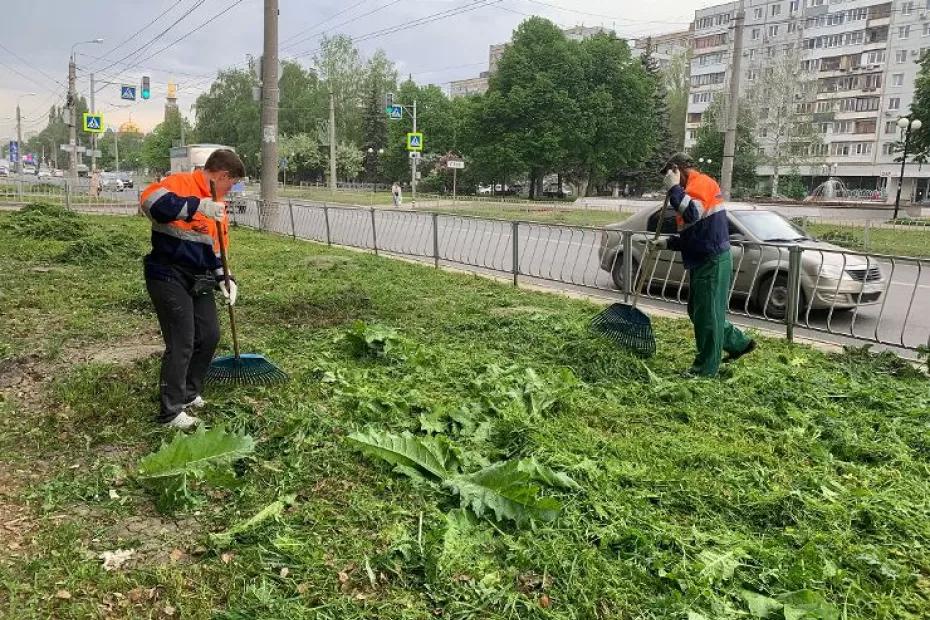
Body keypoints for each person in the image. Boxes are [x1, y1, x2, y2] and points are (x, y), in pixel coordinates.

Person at [139, 149, 245, 429]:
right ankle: (170, 412)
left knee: (209, 334)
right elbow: (150, 203)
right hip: (167, 274)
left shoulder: (219, 206)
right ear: (223, 175)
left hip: (199, 278)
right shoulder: (180, 183)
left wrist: (226, 278)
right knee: (182, 340)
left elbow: (218, 248)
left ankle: (188, 393)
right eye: (231, 183)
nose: (230, 189)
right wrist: (198, 206)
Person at [651, 153, 756, 378]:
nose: (667, 179)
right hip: (703, 257)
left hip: (712, 260)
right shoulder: (690, 189)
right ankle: (738, 343)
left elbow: (692, 213)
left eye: (669, 174)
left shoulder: (701, 184)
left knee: (708, 314)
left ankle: (705, 370)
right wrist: (666, 242)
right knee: (698, 310)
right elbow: (695, 234)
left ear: (677, 169)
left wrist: (673, 191)